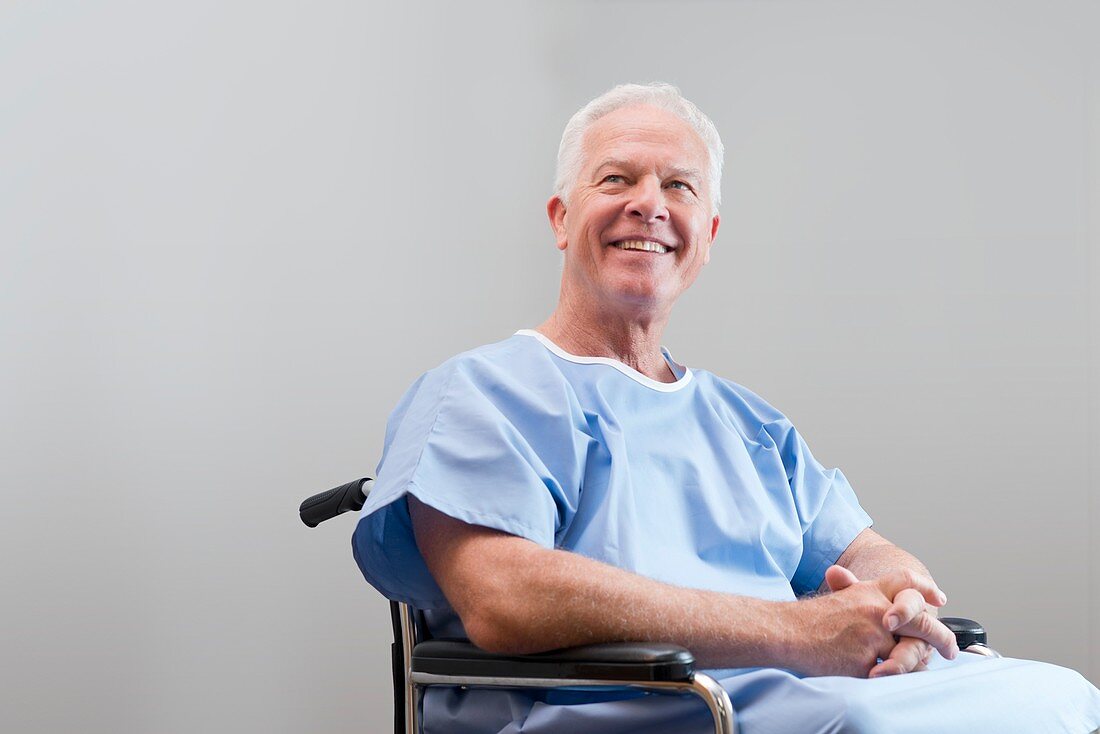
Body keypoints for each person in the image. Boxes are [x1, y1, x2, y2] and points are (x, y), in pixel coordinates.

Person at [353, 83, 1100, 733]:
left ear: (705, 236)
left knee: (1064, 698)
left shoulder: (749, 425)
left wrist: (900, 603)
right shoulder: (483, 393)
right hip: (625, 705)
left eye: (679, 187)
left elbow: (864, 551)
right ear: (559, 217)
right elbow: (503, 599)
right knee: (864, 722)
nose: (649, 204)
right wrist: (798, 633)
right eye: (617, 179)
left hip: (798, 695)